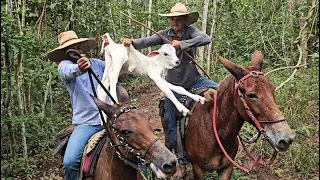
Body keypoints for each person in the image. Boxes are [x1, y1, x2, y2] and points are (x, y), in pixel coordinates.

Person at [121, 2, 218, 172]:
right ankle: (180, 159)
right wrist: (131, 42)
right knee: (169, 119)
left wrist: (182, 45)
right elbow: (144, 42)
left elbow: (206, 39)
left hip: (195, 80)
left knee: (221, 92)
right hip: (173, 85)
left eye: (178, 19)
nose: (175, 22)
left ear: (185, 20)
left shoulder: (191, 32)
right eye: (173, 19)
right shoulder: (164, 35)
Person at [47, 30, 106, 180]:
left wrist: (116, 48)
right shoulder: (64, 65)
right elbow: (67, 71)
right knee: (70, 162)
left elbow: (117, 67)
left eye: (79, 47)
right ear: (67, 53)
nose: (77, 51)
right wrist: (79, 68)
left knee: (141, 148)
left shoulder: (97, 64)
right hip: (86, 123)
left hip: (110, 117)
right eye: (72, 49)